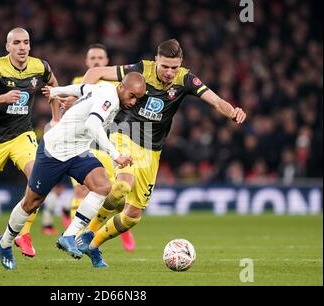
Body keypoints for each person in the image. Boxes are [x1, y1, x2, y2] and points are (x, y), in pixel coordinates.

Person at [74, 38, 247, 267]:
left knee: (132, 215)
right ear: (156, 59)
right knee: (124, 184)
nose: (168, 72)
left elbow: (215, 101)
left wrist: (233, 111)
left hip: (153, 149)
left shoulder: (185, 79)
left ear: (180, 64)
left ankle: (94, 245)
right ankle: (86, 234)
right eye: (164, 66)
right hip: (126, 131)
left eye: (173, 67)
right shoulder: (140, 70)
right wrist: (83, 103)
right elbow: (95, 72)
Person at [0, 72, 146, 270]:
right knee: (32, 202)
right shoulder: (109, 96)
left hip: (78, 151)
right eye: (132, 96)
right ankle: (4, 243)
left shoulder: (105, 89)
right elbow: (93, 124)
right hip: (54, 151)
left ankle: (68, 236)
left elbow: (82, 88)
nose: (134, 101)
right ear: (121, 87)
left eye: (138, 98)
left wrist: (57, 91)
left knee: (102, 186)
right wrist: (115, 155)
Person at [0, 27, 61, 265]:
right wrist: (2, 98)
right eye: (16, 42)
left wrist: (56, 118)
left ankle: (23, 232)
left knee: (40, 180)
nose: (22, 47)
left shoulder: (40, 66)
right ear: (7, 46)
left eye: (26, 42)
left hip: (22, 135)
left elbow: (54, 86)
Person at [68, 43, 136, 252]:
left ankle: (118, 229)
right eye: (93, 59)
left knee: (116, 195)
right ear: (87, 63)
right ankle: (76, 237)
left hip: (109, 144)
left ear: (106, 62)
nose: (97, 61)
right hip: (84, 144)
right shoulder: (79, 83)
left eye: (100, 58)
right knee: (81, 189)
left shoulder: (120, 85)